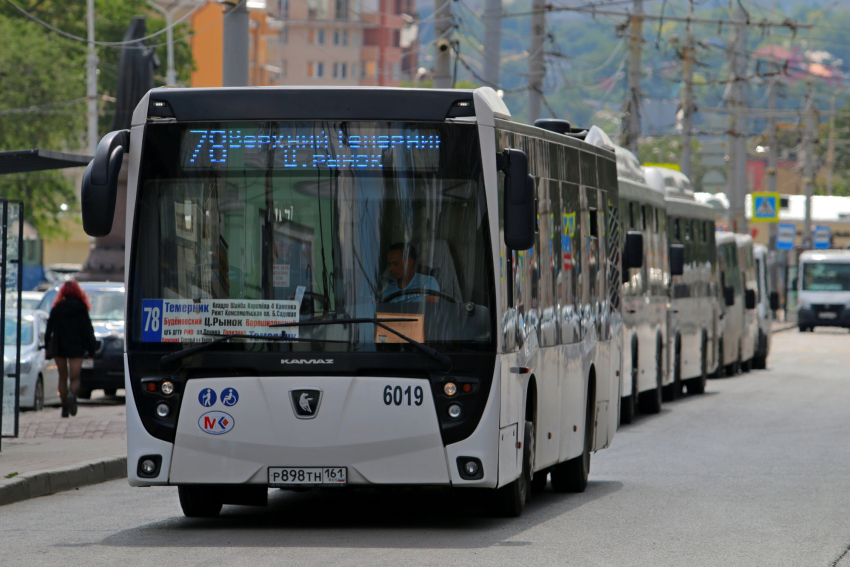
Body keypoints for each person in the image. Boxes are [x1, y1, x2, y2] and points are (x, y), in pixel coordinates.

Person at [45, 281, 98, 418]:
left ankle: (64, 408)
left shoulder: (57, 308)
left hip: (59, 347)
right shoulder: (81, 308)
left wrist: (46, 346)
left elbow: (48, 330)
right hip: (76, 347)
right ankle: (72, 395)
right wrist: (91, 350)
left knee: (62, 377)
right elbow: (88, 331)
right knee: (75, 378)